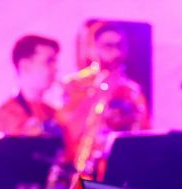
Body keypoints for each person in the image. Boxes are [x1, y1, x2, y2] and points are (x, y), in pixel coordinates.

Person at [0, 34, 64, 189]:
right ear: (25, 65)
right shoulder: (7, 115)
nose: (55, 69)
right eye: (49, 61)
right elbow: (6, 179)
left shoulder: (54, 113)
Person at [60, 22, 150, 178]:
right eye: (108, 46)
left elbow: (142, 131)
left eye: (119, 46)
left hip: (115, 168)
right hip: (76, 168)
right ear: (93, 47)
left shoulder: (131, 90)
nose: (116, 52)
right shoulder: (74, 84)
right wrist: (101, 92)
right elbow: (67, 126)